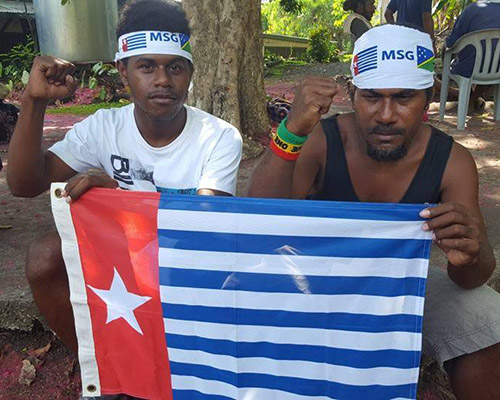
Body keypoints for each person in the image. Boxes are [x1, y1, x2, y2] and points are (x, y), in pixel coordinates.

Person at [248, 24, 500, 399]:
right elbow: (258, 224)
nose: (385, 114)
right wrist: (292, 129)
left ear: (429, 96)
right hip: (316, 280)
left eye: (403, 97)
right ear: (352, 95)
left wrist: (470, 254)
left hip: (403, 286)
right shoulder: (322, 140)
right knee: (241, 291)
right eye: (371, 97)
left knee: (486, 315)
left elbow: (473, 277)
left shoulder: (452, 162)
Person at [7, 0, 242, 356]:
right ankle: (103, 367)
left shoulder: (219, 136)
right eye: (146, 66)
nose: (162, 80)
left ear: (191, 73)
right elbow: (24, 185)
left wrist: (118, 202)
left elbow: (201, 231)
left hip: (188, 262)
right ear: (122, 70)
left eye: (175, 67)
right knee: (44, 256)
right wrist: (34, 102)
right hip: (122, 257)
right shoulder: (104, 128)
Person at [444, 0, 500, 110]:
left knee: (446, 49)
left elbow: (451, 43)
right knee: (491, 63)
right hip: (497, 69)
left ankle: (468, 97)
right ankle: (472, 98)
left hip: (468, 68)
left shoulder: (471, 9)